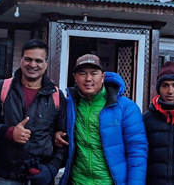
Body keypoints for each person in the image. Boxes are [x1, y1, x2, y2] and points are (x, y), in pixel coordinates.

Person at [0, 39, 67, 185]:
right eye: (28, 59)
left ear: (46, 64)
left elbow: (64, 140)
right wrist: (9, 132)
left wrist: (52, 169)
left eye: (38, 61)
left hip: (41, 175)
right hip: (5, 176)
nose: (32, 65)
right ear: (21, 60)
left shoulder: (56, 96)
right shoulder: (2, 88)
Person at [57, 54, 148, 185]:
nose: (88, 79)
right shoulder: (69, 106)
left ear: (103, 77)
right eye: (82, 74)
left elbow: (137, 151)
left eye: (94, 73)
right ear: (75, 78)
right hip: (77, 181)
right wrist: (56, 134)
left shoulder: (126, 107)